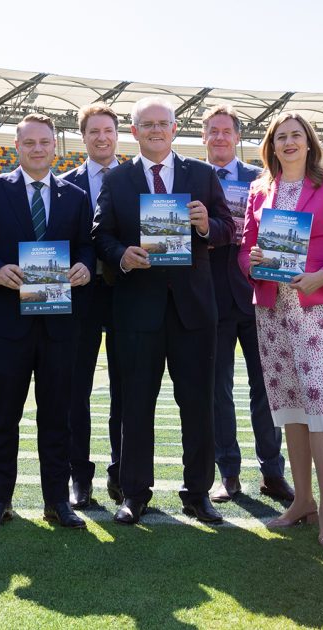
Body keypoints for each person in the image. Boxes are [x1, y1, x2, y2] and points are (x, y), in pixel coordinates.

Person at [92, 96, 235, 525]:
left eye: (163, 123)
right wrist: (123, 255)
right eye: (146, 124)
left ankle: (198, 493)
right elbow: (101, 236)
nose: (156, 130)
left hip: (192, 310)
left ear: (175, 129)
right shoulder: (116, 180)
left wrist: (207, 225)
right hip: (137, 310)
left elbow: (229, 230)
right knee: (135, 405)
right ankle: (134, 493)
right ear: (133, 132)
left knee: (198, 405)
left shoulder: (202, 174)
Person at [0, 113, 96, 531]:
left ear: (56, 146)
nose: (38, 149)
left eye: (45, 142)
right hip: (7, 323)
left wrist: (84, 268)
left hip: (58, 325)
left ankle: (57, 501)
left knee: (58, 416)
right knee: (3, 415)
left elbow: (87, 247)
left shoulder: (74, 195)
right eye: (29, 143)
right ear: (16, 147)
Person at [239, 113, 323, 549]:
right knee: (289, 404)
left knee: (320, 407)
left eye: (296, 136)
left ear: (309, 143)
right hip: (272, 310)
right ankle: (302, 500)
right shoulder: (259, 189)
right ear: (271, 146)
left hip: (317, 309)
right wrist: (250, 264)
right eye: (280, 137)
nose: (288, 142)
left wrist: (322, 277)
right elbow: (246, 250)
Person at [202, 105, 292, 504]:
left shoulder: (263, 179)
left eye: (226, 131)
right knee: (217, 391)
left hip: (259, 295)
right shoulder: (191, 178)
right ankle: (229, 474)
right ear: (203, 136)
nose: (219, 137)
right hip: (207, 299)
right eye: (212, 131)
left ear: (237, 136)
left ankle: (273, 473)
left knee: (267, 389)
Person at [58, 103, 124, 508]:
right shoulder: (65, 185)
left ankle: (123, 473)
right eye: (93, 132)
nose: (102, 138)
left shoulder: (139, 181)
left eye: (108, 131)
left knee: (127, 388)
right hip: (78, 297)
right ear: (82, 137)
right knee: (74, 390)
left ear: (118, 135)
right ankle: (78, 476)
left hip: (126, 295)